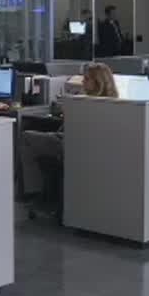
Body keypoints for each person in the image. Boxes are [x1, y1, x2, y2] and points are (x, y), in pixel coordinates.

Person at [19, 62, 118, 205]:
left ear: (98, 83)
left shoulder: (86, 103)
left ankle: (34, 192)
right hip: (82, 145)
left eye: (87, 79)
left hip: (72, 145)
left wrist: (67, 110)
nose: (83, 82)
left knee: (26, 137)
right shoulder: (113, 103)